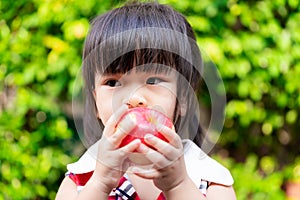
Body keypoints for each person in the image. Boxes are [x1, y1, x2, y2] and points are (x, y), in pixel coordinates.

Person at [56, 1, 236, 200]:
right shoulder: (81, 179)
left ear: (183, 97)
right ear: (95, 100)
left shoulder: (209, 179)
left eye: (153, 80)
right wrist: (100, 184)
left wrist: (178, 185)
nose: (133, 99)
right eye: (113, 83)